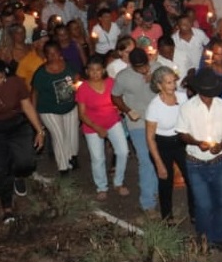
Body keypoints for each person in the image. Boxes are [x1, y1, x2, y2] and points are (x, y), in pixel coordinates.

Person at [176, 67, 222, 251]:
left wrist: (221, 144)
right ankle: (202, 238)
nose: (207, 96)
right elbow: (182, 134)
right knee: (203, 205)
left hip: (219, 162)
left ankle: (217, 239)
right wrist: (197, 142)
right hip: (195, 163)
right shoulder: (187, 108)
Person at [0, 58, 47, 223]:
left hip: (18, 124)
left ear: (5, 74)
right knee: (0, 170)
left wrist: (39, 130)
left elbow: (27, 106)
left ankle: (18, 175)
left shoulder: (15, 83)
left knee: (26, 163)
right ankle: (7, 208)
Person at [112, 49, 159, 215]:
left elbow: (170, 86)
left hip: (158, 121)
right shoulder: (123, 77)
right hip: (137, 122)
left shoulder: (157, 68)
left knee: (157, 158)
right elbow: (115, 96)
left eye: (145, 65)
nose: (144, 70)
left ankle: (155, 192)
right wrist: (127, 110)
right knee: (146, 160)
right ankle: (147, 203)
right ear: (131, 65)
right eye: (139, 68)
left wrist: (154, 80)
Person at [76, 55, 130, 199]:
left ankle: (118, 182)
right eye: (92, 70)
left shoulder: (111, 82)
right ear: (87, 71)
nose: (95, 73)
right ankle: (101, 186)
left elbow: (119, 98)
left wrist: (119, 108)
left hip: (113, 121)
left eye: (98, 70)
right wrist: (97, 128)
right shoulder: (83, 89)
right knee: (98, 158)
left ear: (103, 70)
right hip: (92, 126)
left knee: (123, 151)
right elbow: (81, 114)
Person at [144, 66, 191, 221]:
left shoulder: (182, 98)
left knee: (191, 176)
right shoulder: (154, 107)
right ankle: (167, 217)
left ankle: (195, 213)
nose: (173, 85)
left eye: (173, 82)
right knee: (165, 181)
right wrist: (159, 164)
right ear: (159, 85)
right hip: (161, 145)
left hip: (180, 142)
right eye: (168, 83)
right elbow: (150, 138)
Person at [30, 40, 81, 174]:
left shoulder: (69, 66)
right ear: (45, 55)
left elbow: (77, 79)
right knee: (59, 137)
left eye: (56, 53)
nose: (53, 57)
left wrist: (77, 83)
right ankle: (63, 168)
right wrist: (34, 114)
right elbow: (34, 93)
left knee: (72, 135)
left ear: (60, 53)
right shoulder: (41, 73)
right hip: (49, 110)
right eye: (50, 54)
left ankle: (72, 158)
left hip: (70, 106)